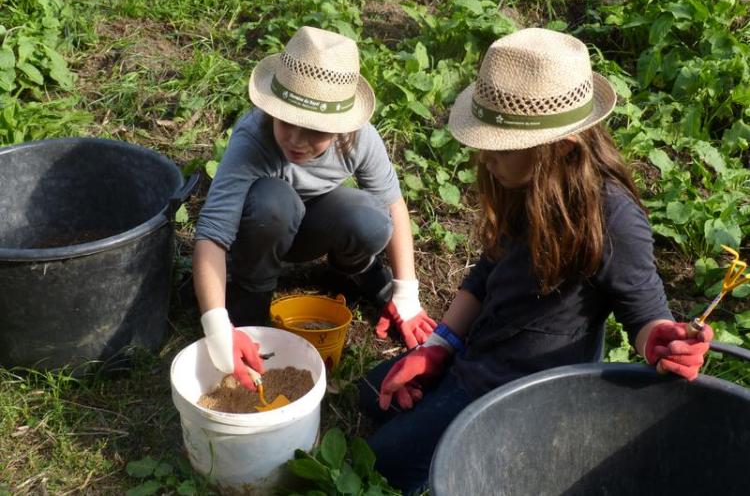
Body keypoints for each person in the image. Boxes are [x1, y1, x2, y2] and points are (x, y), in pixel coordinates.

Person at [358, 27, 714, 493]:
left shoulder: (611, 218)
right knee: (371, 394)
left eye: (499, 146)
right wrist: (438, 346)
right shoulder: (522, 184)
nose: (485, 158)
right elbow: (487, 271)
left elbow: (646, 316)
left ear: (561, 147)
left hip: (520, 394)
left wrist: (664, 342)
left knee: (382, 463)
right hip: (478, 354)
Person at [193, 26, 436, 390]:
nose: (296, 140)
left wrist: (405, 295)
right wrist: (217, 324)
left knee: (370, 217)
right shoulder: (254, 137)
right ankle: (253, 291)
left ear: (341, 129)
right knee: (274, 201)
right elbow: (212, 234)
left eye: (315, 131)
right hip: (260, 228)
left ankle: (351, 272)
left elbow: (394, 206)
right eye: (286, 122)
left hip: (312, 226)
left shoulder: (360, 139)